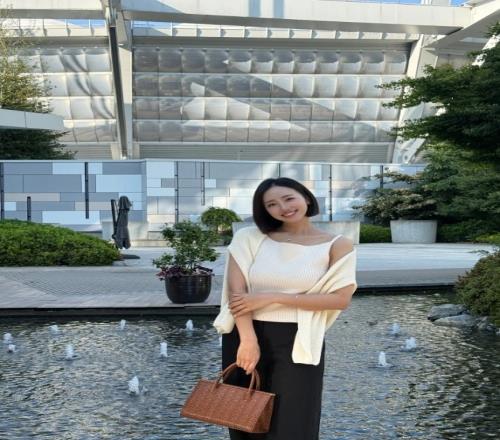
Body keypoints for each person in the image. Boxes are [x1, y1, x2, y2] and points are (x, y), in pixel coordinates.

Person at [213, 177, 357, 440]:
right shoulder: (249, 238)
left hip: (299, 338)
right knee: (244, 422)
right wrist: (248, 341)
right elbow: (237, 293)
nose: (283, 207)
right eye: (271, 204)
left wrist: (272, 298)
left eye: (289, 198)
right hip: (244, 334)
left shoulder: (337, 245)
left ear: (306, 198)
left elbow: (340, 299)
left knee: (294, 424)